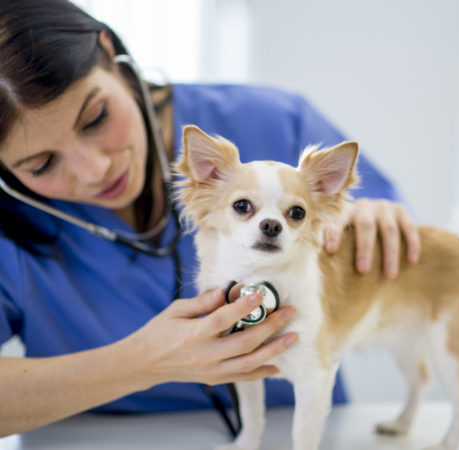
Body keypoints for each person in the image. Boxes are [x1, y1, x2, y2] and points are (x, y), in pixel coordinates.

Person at [0, 0, 421, 438]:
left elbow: (379, 229)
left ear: (108, 50)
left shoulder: (276, 121)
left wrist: (376, 219)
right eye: (41, 164)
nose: (95, 169)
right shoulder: (8, 233)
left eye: (96, 118)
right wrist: (134, 365)